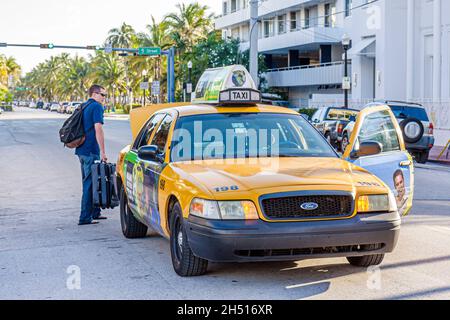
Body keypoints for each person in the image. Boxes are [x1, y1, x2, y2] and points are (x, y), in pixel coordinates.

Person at [75, 85, 108, 225]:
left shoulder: (84, 105)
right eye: (103, 95)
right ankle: (84, 217)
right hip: (90, 150)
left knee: (93, 181)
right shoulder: (96, 107)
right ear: (95, 94)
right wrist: (103, 152)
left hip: (81, 150)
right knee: (89, 184)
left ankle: (95, 212)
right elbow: (98, 129)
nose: (104, 98)